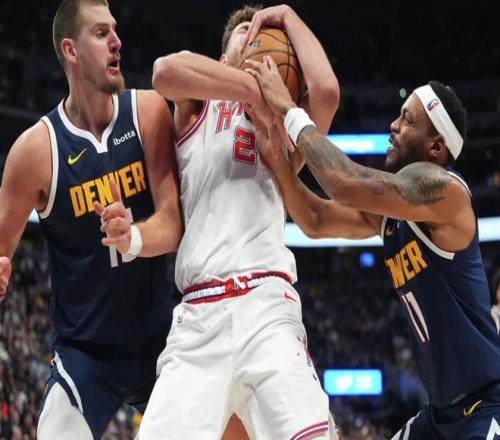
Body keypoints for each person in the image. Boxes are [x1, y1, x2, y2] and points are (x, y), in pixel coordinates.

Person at [99, 4, 341, 439]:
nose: (259, 37)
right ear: (224, 59)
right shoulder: (196, 110)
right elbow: (164, 72)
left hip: (266, 305)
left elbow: (325, 92)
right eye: (247, 31)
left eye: (267, 37)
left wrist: (287, 17)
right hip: (198, 315)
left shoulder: (281, 126)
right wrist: (249, 87)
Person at [245, 57, 500, 439]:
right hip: (439, 415)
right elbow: (314, 218)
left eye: (407, 120)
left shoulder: (448, 194)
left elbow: (342, 181)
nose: (393, 125)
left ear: (436, 146)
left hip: (484, 407)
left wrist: (288, 109)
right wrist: (273, 150)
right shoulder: (393, 215)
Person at [0, 0, 183, 438]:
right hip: (87, 355)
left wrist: (132, 236)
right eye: (101, 33)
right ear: (71, 50)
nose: (117, 41)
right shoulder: (35, 151)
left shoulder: (148, 111)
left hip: (161, 339)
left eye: (115, 30)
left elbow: (173, 223)